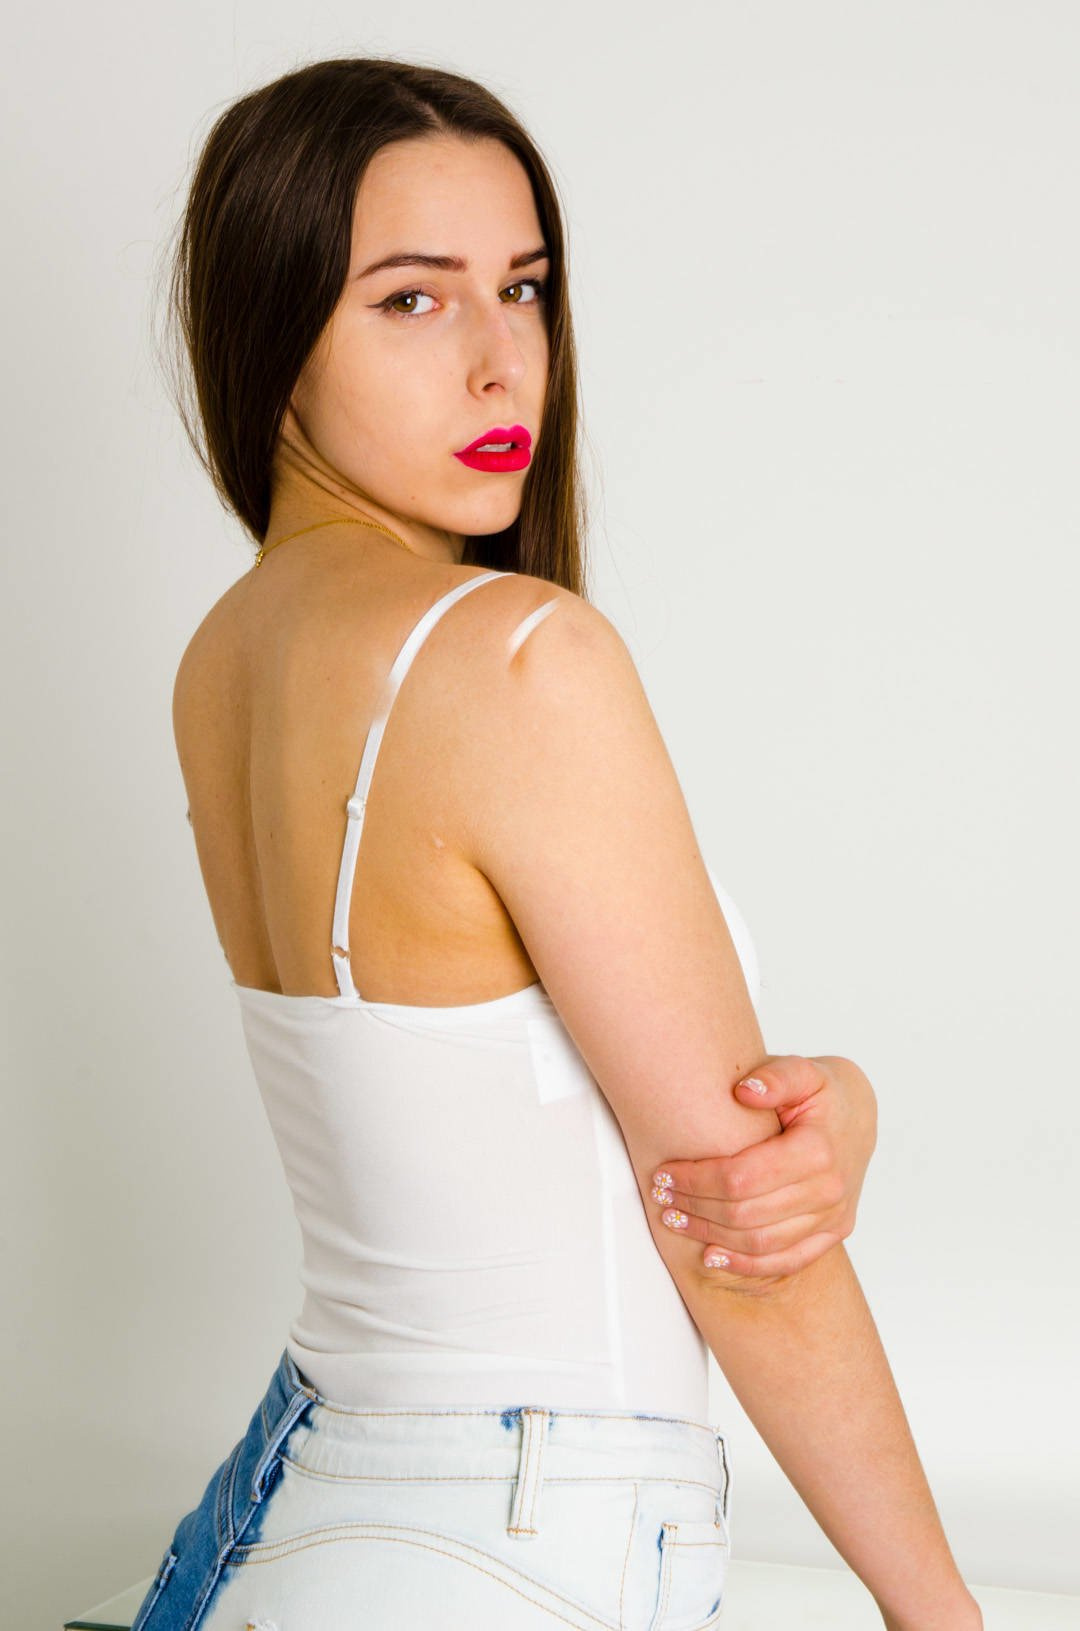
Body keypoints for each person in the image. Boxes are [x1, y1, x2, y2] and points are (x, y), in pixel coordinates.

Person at [133, 55, 980, 1631]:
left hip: (276, 1518)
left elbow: (483, 1102)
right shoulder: (518, 657)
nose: (500, 360)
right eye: (410, 299)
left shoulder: (223, 658)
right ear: (271, 333)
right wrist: (939, 1611)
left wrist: (834, 1111)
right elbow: (730, 1235)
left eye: (521, 288)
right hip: (518, 1541)